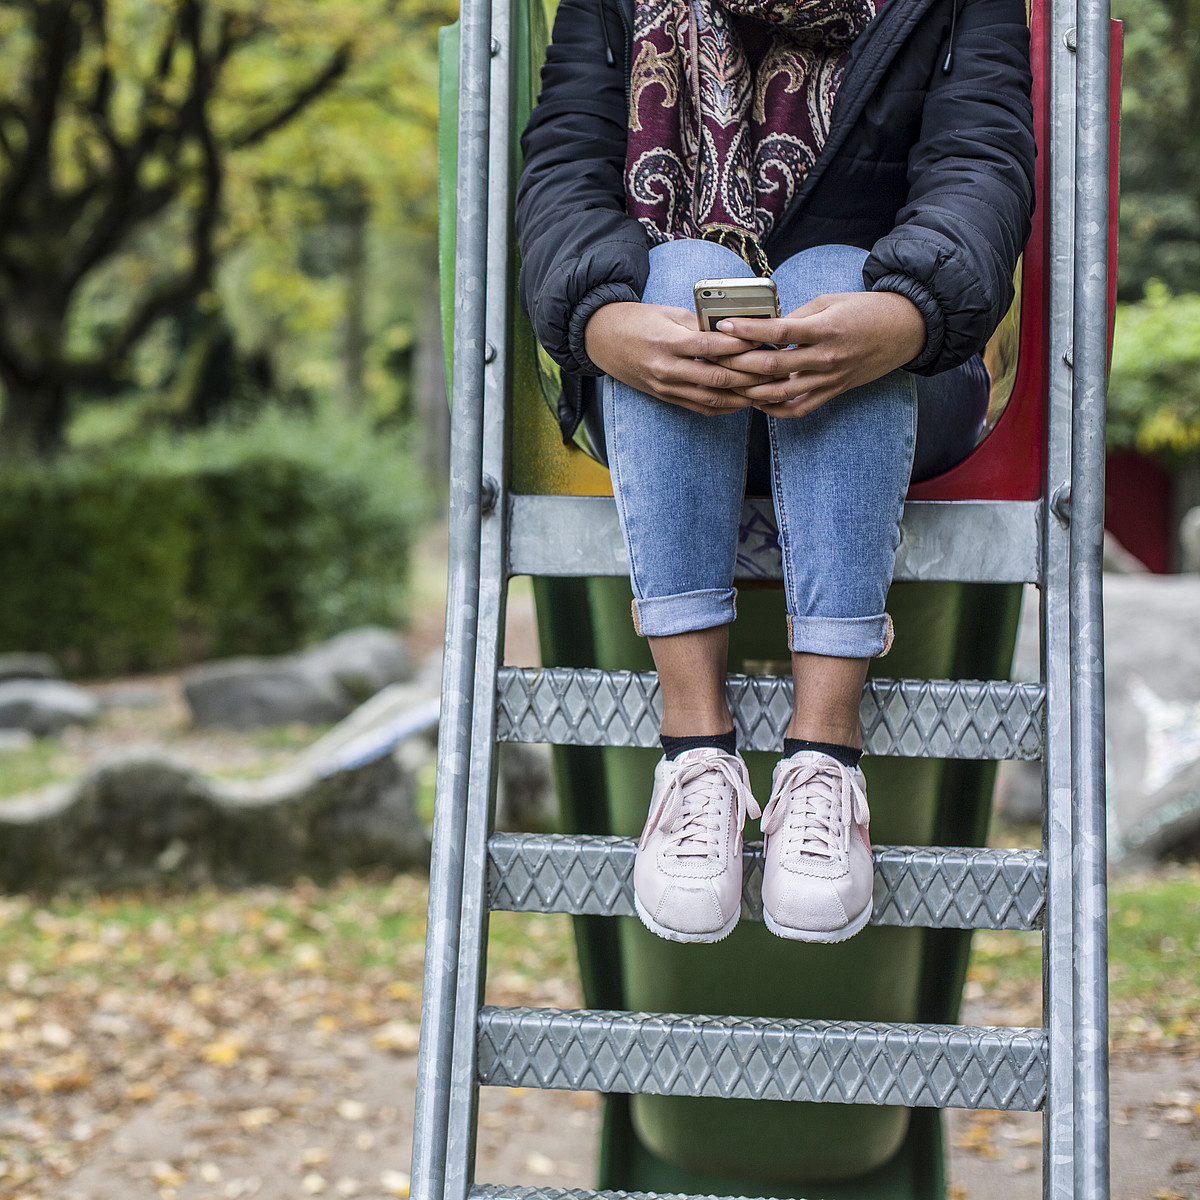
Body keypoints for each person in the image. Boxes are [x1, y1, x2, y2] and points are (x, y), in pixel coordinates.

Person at [515, 0, 1035, 944]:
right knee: (675, 275)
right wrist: (599, 319)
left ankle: (826, 757)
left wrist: (907, 311)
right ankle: (696, 754)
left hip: (897, 375)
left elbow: (984, 164)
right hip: (664, 376)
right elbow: (562, 171)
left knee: (838, 267)